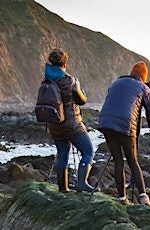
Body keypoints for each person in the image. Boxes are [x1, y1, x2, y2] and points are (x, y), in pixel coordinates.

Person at [98, 61, 150, 206]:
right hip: (126, 125)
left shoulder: (115, 83)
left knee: (118, 161)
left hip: (105, 122)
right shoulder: (143, 87)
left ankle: (122, 199)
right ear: (143, 77)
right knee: (132, 160)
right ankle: (143, 197)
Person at [44, 48, 97, 193]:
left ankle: (63, 188)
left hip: (54, 124)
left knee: (62, 153)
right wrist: (78, 88)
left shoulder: (46, 79)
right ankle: (82, 182)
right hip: (71, 124)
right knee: (88, 151)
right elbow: (82, 101)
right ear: (64, 64)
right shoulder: (70, 80)